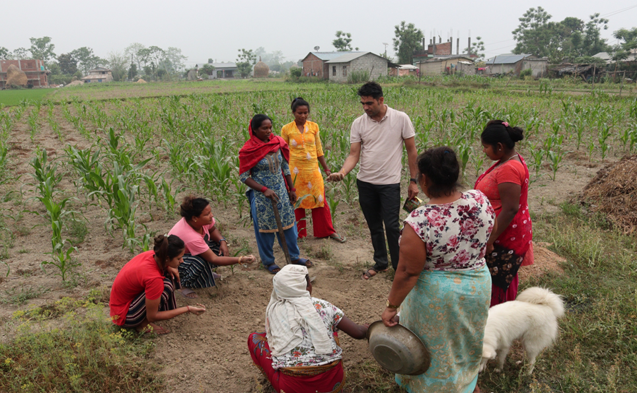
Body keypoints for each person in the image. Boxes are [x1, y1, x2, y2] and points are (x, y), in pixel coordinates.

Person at [381, 147, 495, 393]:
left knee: (434, 347)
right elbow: (488, 236)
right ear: (456, 174)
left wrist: (391, 307)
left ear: (424, 179)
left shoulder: (420, 220)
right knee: (467, 339)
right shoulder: (479, 200)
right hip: (477, 284)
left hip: (438, 296)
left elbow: (408, 272)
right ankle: (466, 384)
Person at [327, 81, 419, 279]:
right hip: (366, 183)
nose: (366, 107)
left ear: (381, 100)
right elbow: (354, 154)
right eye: (363, 104)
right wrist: (343, 172)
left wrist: (414, 181)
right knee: (374, 225)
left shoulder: (401, 119)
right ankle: (381, 263)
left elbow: (412, 151)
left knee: (392, 226)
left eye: (369, 103)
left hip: (389, 183)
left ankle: (398, 266)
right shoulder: (358, 123)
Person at [248, 264, 368, 393]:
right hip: (332, 381)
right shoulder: (323, 306)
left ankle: (276, 380)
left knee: (254, 338)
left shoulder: (274, 310)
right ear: (308, 286)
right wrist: (370, 327)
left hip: (293, 387)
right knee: (331, 331)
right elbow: (359, 333)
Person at [240, 114, 311, 274]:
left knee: (288, 226)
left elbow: (285, 166)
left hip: (281, 191)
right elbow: (244, 177)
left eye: (270, 127)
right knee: (265, 230)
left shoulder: (277, 142)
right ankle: (268, 261)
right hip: (261, 196)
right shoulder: (248, 149)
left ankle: (294, 256)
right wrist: (264, 189)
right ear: (255, 130)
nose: (268, 131)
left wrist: (291, 189)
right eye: (264, 128)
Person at [475, 120, 533, 307]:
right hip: (502, 233)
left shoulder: (509, 169)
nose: (484, 151)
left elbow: (510, 209)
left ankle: (498, 324)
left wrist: (490, 239)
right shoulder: (509, 161)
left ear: (499, 147)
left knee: (499, 285)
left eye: (486, 147)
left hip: (504, 237)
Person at [109, 235, 206, 334]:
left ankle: (165, 311)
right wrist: (187, 309)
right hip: (123, 315)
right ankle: (143, 325)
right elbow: (152, 316)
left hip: (121, 304)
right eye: (179, 258)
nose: (182, 261)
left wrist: (168, 267)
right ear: (167, 258)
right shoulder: (154, 278)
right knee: (165, 285)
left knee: (168, 277)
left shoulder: (153, 255)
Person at [280, 97, 345, 243]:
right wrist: (283, 172)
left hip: (313, 170)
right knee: (296, 201)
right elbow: (283, 151)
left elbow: (319, 149)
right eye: (299, 113)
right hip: (295, 172)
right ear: (293, 113)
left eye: (306, 113)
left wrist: (326, 169)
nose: (303, 116)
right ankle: (298, 234)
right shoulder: (286, 129)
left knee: (320, 200)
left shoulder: (314, 127)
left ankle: (326, 231)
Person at [168, 196, 256, 298]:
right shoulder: (190, 236)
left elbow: (212, 230)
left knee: (218, 246)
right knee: (198, 263)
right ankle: (180, 284)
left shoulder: (200, 222)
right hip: (175, 263)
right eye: (207, 214)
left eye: (210, 212)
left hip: (190, 252)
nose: (212, 215)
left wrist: (222, 241)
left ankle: (206, 273)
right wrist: (241, 259)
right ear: (195, 218)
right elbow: (214, 259)